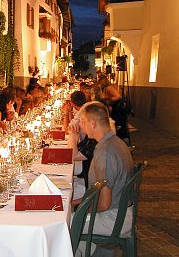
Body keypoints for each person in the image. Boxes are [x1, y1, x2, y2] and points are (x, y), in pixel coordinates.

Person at [74, 102, 134, 257]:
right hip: (121, 210)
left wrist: (80, 210)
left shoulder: (105, 151)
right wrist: (75, 203)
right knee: (71, 213)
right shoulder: (116, 142)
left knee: (66, 222)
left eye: (84, 122)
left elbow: (104, 203)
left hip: (114, 218)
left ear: (93, 123)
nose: (83, 126)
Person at [98, 76, 130, 143]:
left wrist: (108, 100)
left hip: (116, 108)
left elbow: (118, 97)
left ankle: (124, 141)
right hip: (115, 107)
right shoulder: (107, 88)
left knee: (120, 123)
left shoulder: (109, 88)